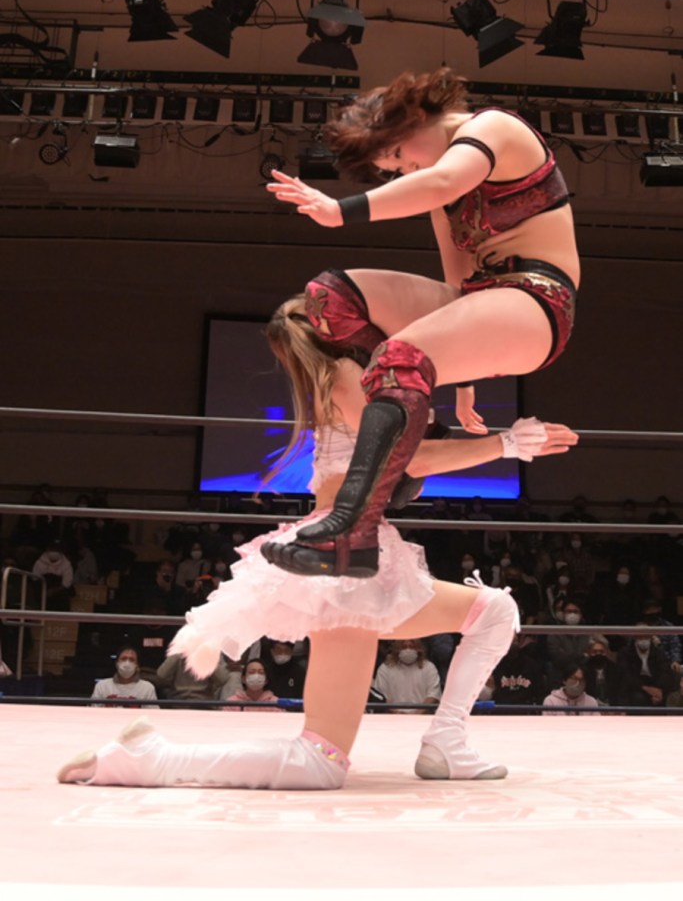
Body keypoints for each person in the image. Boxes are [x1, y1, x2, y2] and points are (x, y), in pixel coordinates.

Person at [57, 295, 577, 791]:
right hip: (345, 561)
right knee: (320, 762)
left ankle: (446, 741)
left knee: (493, 611)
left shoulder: (352, 376)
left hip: (360, 547)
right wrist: (507, 444)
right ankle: (152, 757)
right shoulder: (346, 375)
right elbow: (409, 457)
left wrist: (465, 394)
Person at [263, 66, 579, 577]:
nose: (403, 169)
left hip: (537, 300)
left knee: (398, 356)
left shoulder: (495, 127)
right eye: (393, 168)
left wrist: (340, 211)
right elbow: (459, 284)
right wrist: (462, 380)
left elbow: (443, 180)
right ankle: (419, 431)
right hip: (485, 300)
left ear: (412, 120)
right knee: (329, 298)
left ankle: (354, 531)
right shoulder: (438, 191)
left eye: (396, 156)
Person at [373, 638, 442, 712]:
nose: (408, 650)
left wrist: (417, 713)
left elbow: (433, 695)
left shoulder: (429, 667)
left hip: (422, 716)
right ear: (397, 649)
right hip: (392, 717)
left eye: (411, 647)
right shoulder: (385, 668)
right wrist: (397, 713)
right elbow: (381, 696)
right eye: (404, 647)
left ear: (418, 649)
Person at [91, 646, 158, 707]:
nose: (127, 663)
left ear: (137, 665)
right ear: (116, 663)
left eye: (131, 660)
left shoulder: (147, 688)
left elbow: (152, 714)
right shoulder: (102, 686)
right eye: (123, 659)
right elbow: (93, 713)